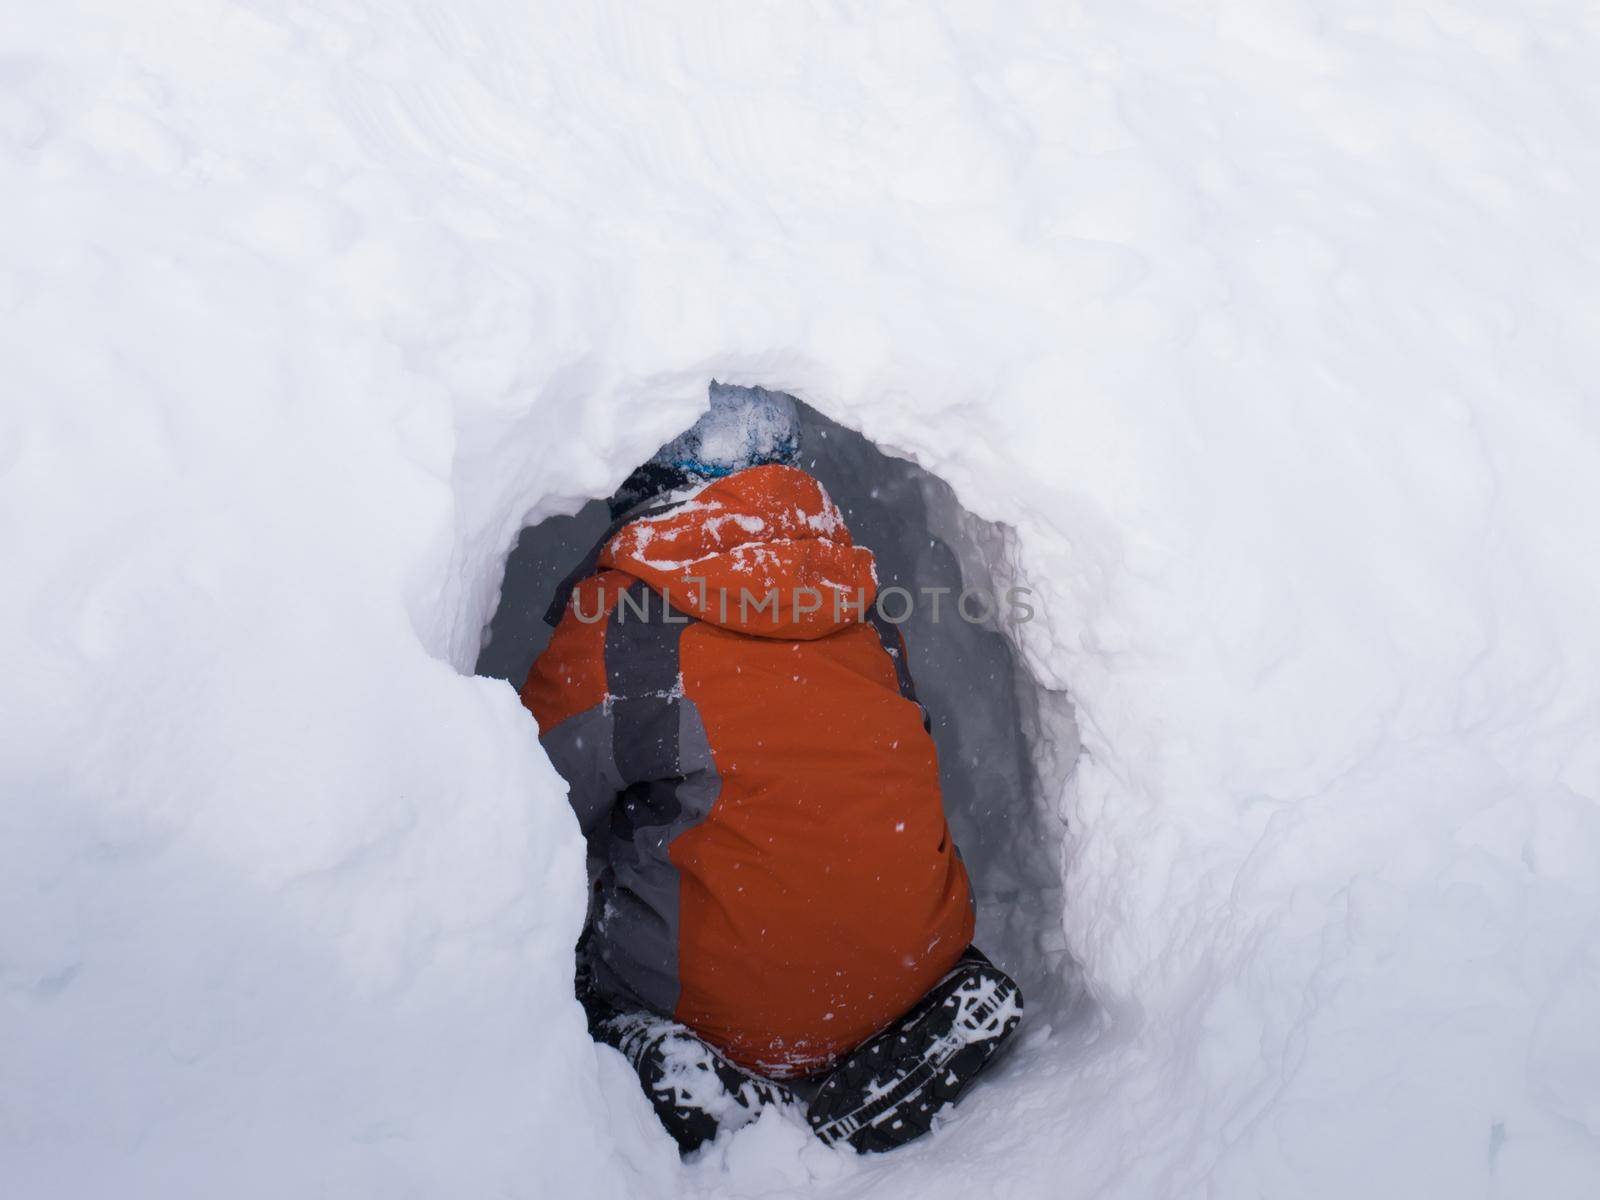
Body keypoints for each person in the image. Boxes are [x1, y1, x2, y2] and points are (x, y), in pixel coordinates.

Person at [520, 383, 1022, 1153]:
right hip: (914, 960)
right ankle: (919, 1005)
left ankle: (663, 1051)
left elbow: (529, 793)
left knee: (588, 943)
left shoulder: (618, 623)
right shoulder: (858, 596)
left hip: (724, 1004)